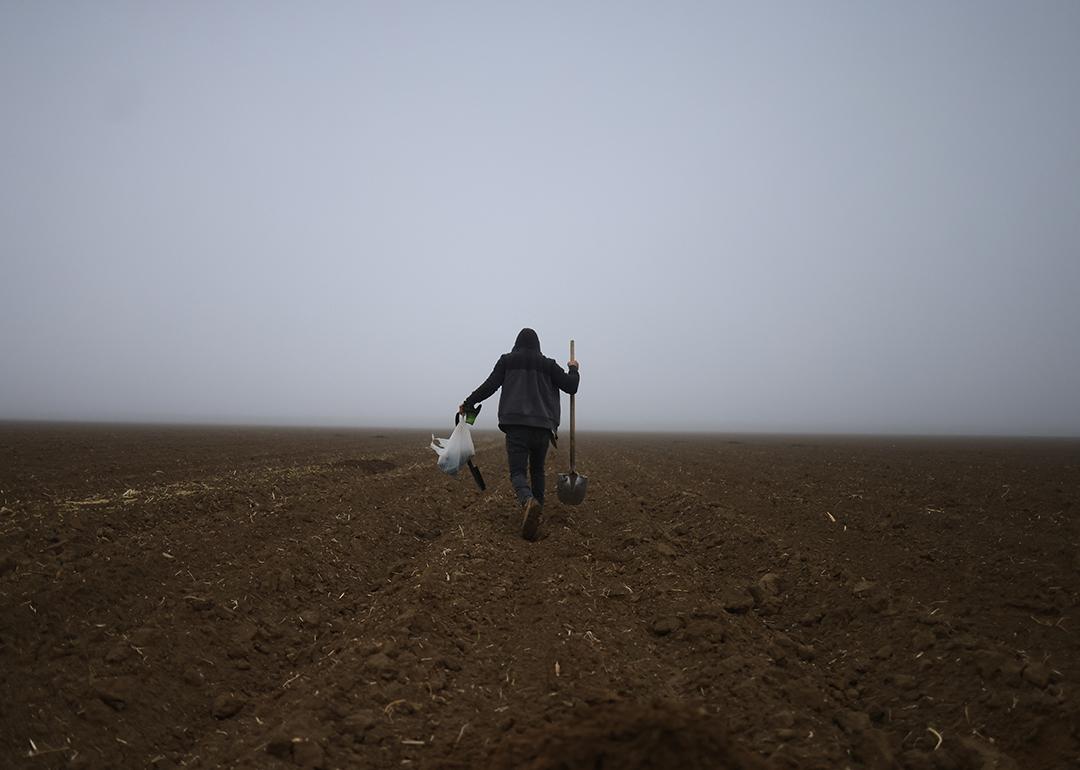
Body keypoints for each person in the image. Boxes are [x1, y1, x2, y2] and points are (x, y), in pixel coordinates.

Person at [460, 328, 580, 541]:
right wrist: (573, 370)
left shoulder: (507, 361)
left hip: (516, 425)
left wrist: (469, 402)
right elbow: (571, 387)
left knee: (517, 473)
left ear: (516, 343)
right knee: (537, 471)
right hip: (543, 427)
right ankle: (538, 511)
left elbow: (490, 386)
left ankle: (527, 501)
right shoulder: (548, 364)